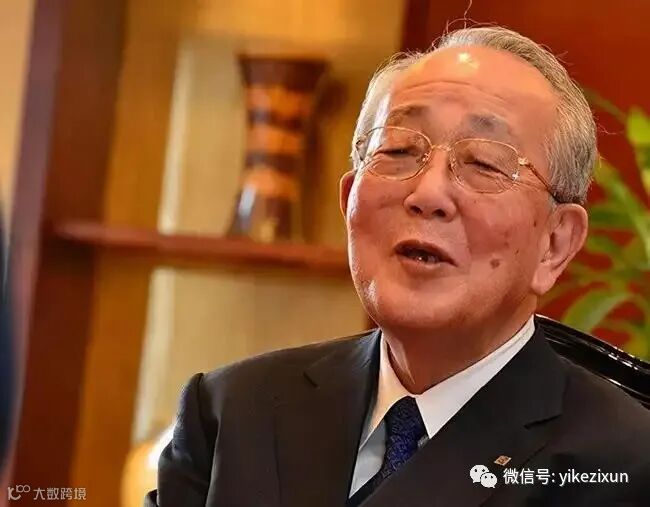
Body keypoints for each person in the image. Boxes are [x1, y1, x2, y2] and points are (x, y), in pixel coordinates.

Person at [145, 26, 650, 506]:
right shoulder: (232, 412)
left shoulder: (624, 466)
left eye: (484, 163)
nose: (428, 193)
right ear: (348, 201)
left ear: (556, 244)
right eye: (399, 149)